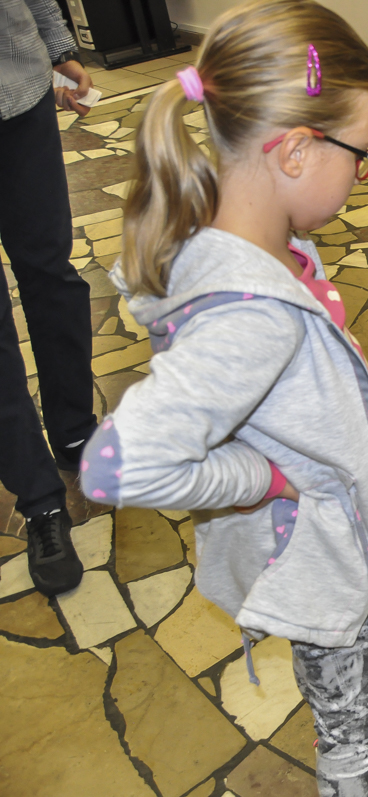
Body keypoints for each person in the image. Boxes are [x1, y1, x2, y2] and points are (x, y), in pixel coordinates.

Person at [78, 2, 368, 794]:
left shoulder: (258, 240)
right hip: (311, 552)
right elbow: (115, 467)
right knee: (350, 746)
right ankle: (352, 728)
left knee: (350, 654)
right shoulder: (252, 315)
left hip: (331, 536)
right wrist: (265, 478)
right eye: (361, 157)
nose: (364, 173)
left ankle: (357, 684)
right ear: (295, 150)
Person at [0, 0, 99, 596]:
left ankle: (75, 432)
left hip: (19, 94)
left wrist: (59, 49)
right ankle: (40, 502)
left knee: (53, 277)